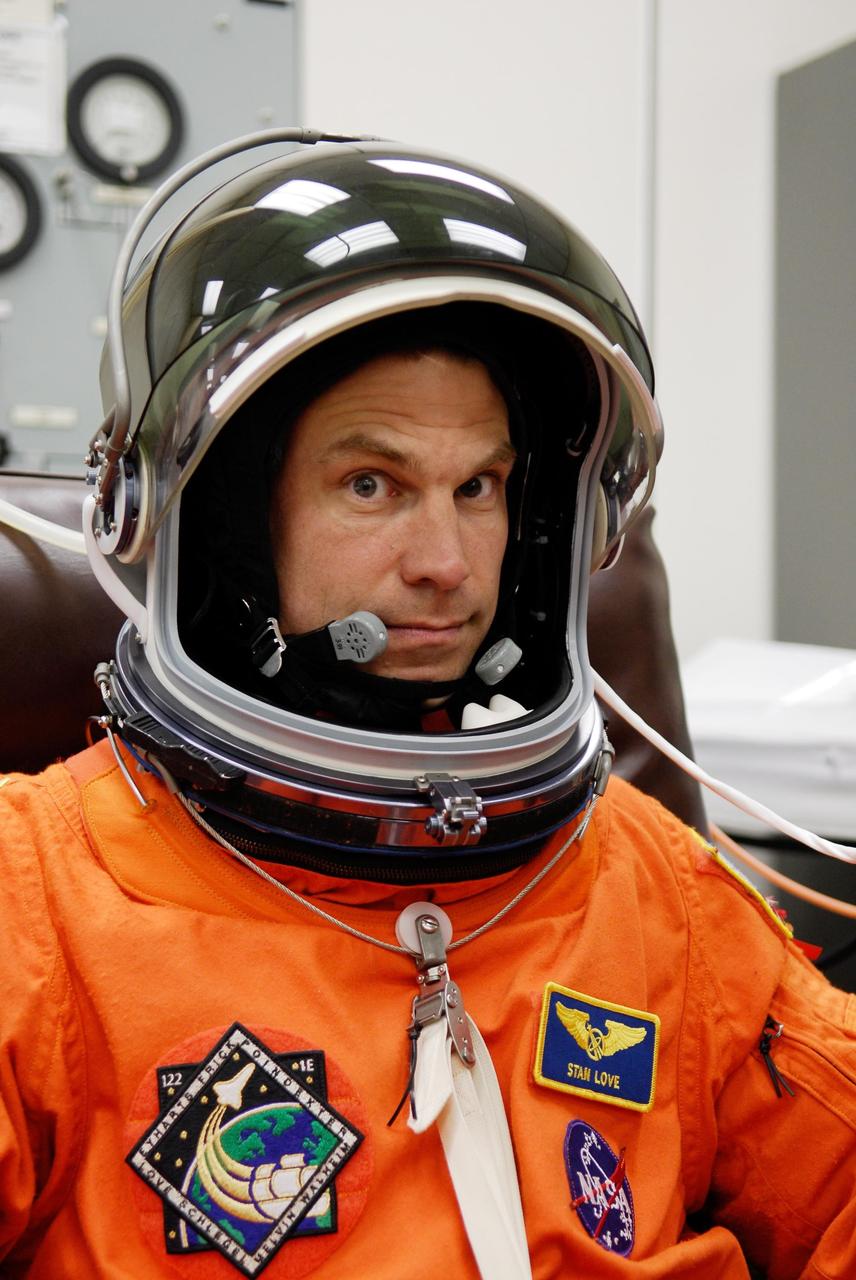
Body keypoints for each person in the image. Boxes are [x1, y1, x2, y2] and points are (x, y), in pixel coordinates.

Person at [1, 133, 854, 1280]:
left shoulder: (652, 887)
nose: (446, 562)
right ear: (225, 519)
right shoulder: (40, 904)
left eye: (479, 487)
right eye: (373, 484)